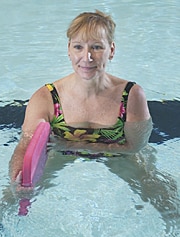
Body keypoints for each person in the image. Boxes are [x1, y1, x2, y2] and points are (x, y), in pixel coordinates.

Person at [9, 10, 153, 181]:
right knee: (10, 197)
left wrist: (72, 144)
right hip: (61, 153)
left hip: (119, 156)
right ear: (69, 49)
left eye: (97, 47)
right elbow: (25, 146)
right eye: (78, 47)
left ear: (111, 50)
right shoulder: (46, 97)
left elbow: (134, 147)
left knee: (159, 195)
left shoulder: (131, 95)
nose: (87, 57)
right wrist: (17, 178)